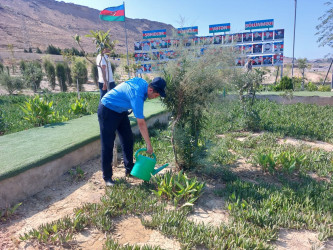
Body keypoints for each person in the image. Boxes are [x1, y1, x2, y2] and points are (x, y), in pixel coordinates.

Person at [98, 77, 167, 186]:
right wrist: (149, 145)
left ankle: (129, 169)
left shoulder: (144, 84)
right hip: (107, 109)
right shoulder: (137, 95)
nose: (155, 98)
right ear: (150, 90)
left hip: (121, 111)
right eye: (156, 95)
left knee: (128, 139)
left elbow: (128, 83)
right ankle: (107, 178)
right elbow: (141, 123)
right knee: (108, 143)